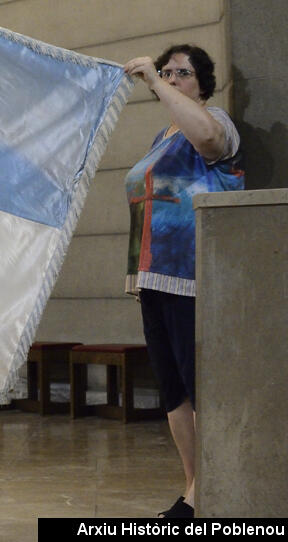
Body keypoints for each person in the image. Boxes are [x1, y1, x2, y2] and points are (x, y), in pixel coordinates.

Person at [122, 45, 244, 519]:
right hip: (154, 278)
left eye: (181, 73)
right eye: (166, 71)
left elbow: (211, 143)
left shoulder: (215, 119)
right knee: (174, 389)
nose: (171, 79)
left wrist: (153, 81)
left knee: (200, 385)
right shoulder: (162, 135)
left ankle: (206, 493)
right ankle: (195, 486)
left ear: (203, 82)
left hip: (193, 276)